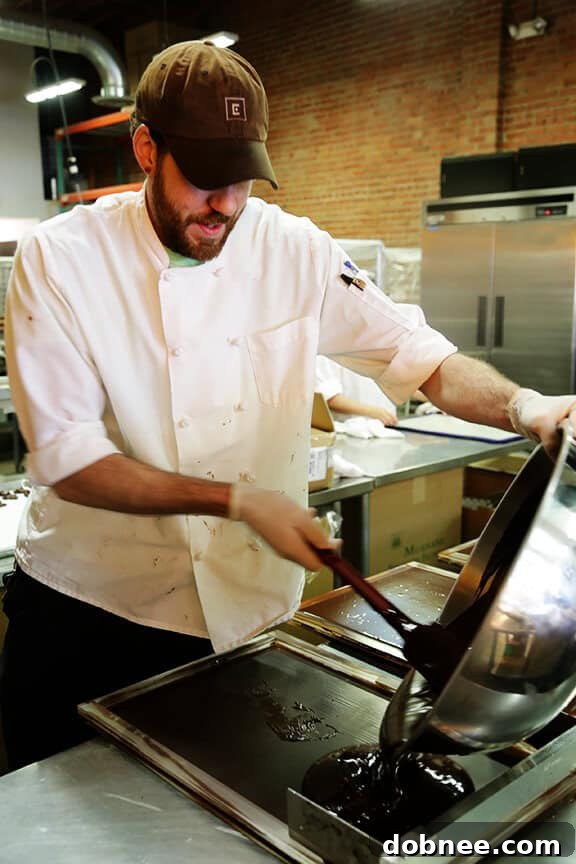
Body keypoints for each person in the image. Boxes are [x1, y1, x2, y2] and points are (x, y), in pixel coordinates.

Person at [2, 40, 576, 772]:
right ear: (146, 148)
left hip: (240, 616)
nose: (227, 207)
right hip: (91, 613)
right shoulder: (62, 259)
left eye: (243, 181)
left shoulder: (294, 250)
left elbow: (423, 359)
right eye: (205, 181)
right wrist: (242, 501)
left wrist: (529, 407)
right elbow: (72, 461)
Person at [315, 355, 398, 428]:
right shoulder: (331, 348)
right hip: (349, 431)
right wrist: (373, 412)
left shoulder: (385, 346)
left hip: (388, 429)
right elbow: (330, 398)